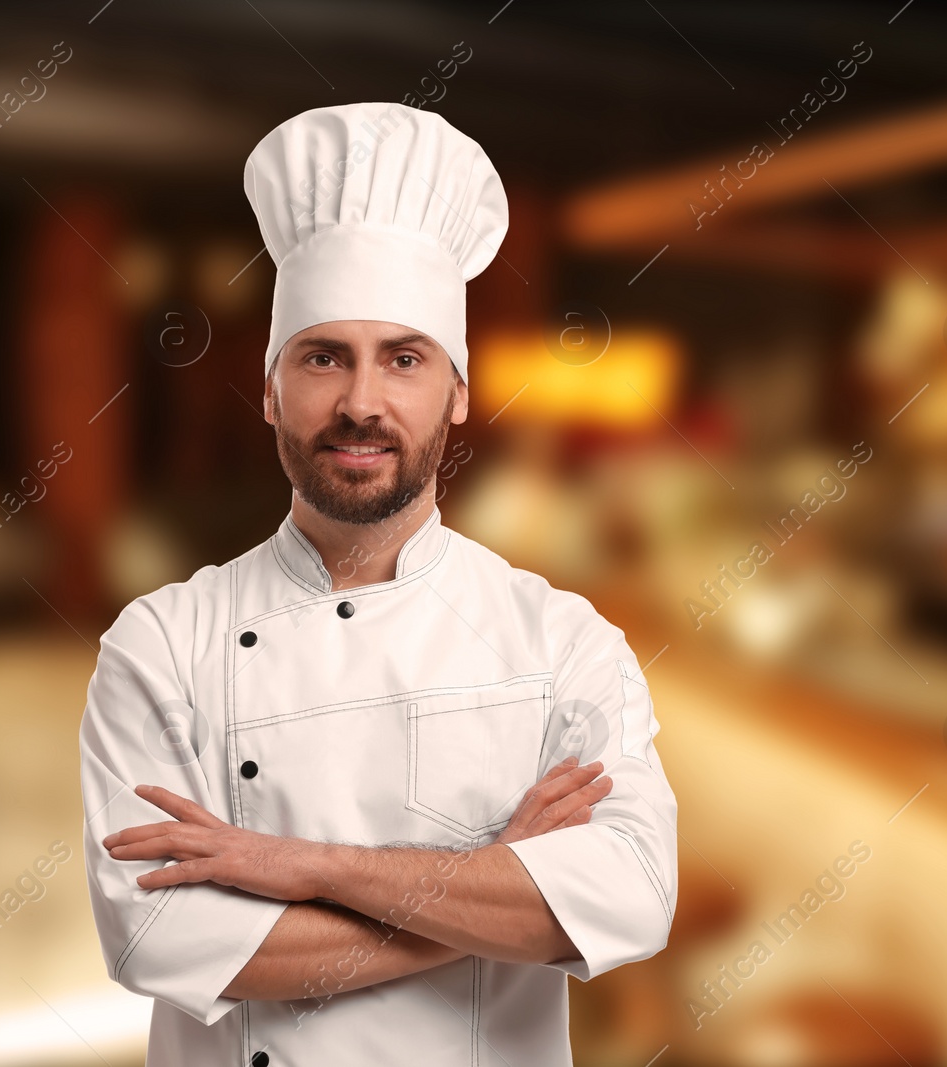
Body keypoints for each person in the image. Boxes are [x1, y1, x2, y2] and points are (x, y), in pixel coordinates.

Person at [78, 101, 678, 1066]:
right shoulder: (161, 644)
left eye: (404, 359)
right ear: (272, 389)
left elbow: (631, 898)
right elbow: (158, 939)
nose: (362, 402)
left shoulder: (562, 642)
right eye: (325, 357)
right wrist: (489, 892)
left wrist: (296, 866)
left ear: (460, 391)